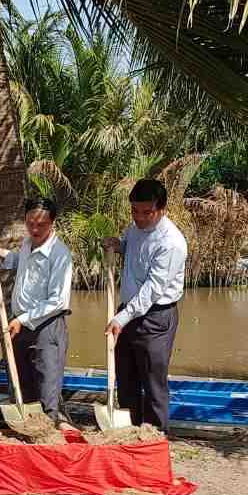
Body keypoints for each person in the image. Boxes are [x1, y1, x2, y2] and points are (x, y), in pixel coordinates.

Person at [102, 179, 188, 432]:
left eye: (146, 212)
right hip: (128, 311)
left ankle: (155, 435)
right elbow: (131, 247)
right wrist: (118, 246)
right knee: (126, 377)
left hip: (155, 317)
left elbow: (152, 290)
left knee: (152, 381)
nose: (139, 217)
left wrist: (121, 318)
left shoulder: (171, 243)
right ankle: (129, 431)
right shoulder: (135, 229)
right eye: (134, 211)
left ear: (161, 210)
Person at [0, 198, 73, 424]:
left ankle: (49, 431)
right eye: (30, 223)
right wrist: (0, 252)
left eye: (41, 224)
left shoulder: (59, 254)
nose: (35, 229)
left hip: (47, 328)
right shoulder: (27, 244)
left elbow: (58, 301)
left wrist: (23, 319)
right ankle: (27, 433)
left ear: (52, 223)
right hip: (20, 326)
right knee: (23, 385)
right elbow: (19, 262)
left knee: (47, 389)